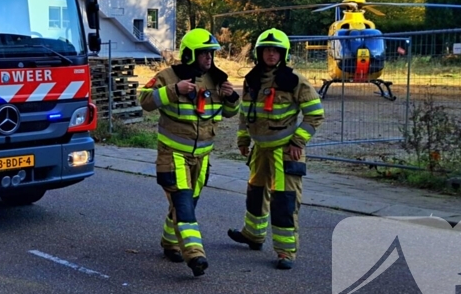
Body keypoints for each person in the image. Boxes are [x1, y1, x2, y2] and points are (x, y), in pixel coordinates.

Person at [139, 29, 240, 277]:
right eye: (204, 53)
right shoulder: (168, 76)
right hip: (172, 155)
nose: (209, 58)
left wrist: (232, 98)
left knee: (187, 203)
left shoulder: (216, 79)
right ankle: (195, 254)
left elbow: (228, 113)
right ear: (189, 54)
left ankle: (170, 242)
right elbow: (144, 100)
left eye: (211, 53)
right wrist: (174, 90)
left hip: (202, 158)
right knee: (183, 203)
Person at [228, 28, 324, 270]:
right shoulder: (252, 79)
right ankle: (252, 235)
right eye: (267, 50)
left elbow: (315, 114)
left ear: (284, 53)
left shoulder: (294, 80)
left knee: (284, 201)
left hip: (285, 150)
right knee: (255, 194)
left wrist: (297, 142)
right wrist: (242, 140)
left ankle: (285, 252)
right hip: (260, 150)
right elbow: (244, 113)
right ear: (259, 53)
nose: (271, 54)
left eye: (276, 50)